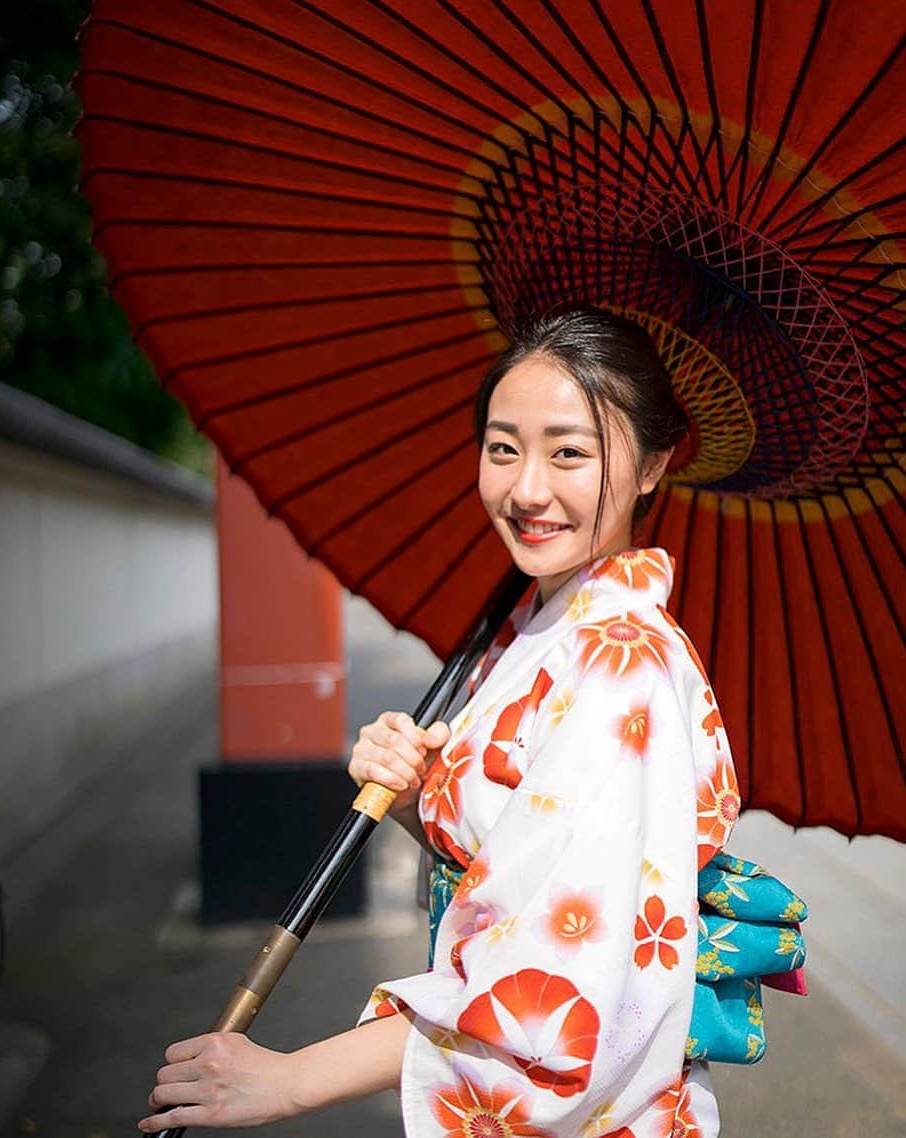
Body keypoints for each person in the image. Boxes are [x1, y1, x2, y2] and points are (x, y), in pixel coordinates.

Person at [138, 308, 741, 1137]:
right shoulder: (538, 625)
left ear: (652, 465)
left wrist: (286, 1080)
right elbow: (516, 857)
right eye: (503, 447)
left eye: (569, 451)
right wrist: (425, 791)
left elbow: (550, 979)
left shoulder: (621, 665)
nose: (527, 489)